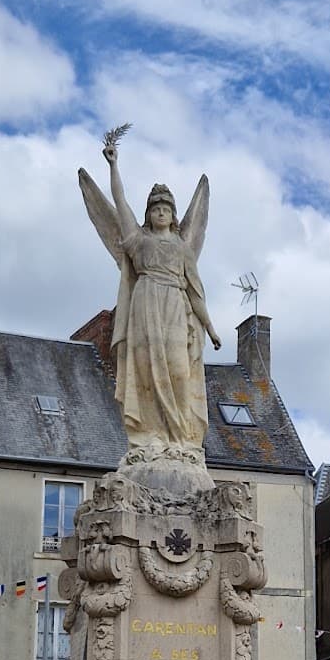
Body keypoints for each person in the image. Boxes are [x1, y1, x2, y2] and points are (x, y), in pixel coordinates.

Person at [78, 139, 221, 461]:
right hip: (145, 305)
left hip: (175, 307)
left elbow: (195, 290)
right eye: (156, 208)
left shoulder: (183, 248)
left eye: (166, 209)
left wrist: (210, 328)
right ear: (149, 214)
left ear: (173, 216)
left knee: (178, 371)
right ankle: (151, 438)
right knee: (145, 373)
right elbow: (119, 201)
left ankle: (182, 439)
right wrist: (113, 165)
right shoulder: (138, 240)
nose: (160, 213)